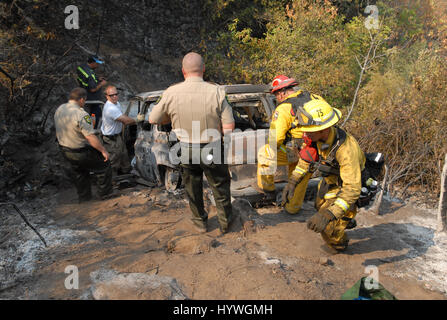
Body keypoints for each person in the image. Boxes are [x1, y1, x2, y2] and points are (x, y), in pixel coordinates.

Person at [149, 52, 235, 234]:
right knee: (220, 185)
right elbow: (229, 125)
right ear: (203, 69)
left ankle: (200, 223)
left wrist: (170, 118)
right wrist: (224, 145)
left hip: (185, 147)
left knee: (192, 186)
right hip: (212, 147)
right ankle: (226, 223)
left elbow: (152, 118)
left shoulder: (171, 92)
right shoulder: (217, 91)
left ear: (183, 71)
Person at [282, 99, 365, 253]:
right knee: (319, 206)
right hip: (329, 182)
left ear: (323, 129)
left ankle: (339, 244)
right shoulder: (316, 138)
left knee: (327, 227)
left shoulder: (346, 150)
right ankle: (343, 220)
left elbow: (352, 189)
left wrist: (329, 215)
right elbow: (305, 161)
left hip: (345, 188)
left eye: (309, 129)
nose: (304, 133)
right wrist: (292, 181)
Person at [256, 75, 327, 214]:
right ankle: (292, 209)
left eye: (276, 94)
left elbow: (275, 138)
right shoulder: (316, 98)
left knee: (264, 153)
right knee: (300, 177)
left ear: (282, 92)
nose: (277, 98)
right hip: (316, 150)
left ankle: (267, 188)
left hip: (294, 150)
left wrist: (273, 148)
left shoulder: (284, 108)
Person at [54, 87, 113, 203]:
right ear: (81, 99)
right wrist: (103, 151)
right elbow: (90, 137)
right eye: (84, 101)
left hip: (65, 150)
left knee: (80, 171)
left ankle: (84, 197)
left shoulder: (60, 109)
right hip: (78, 151)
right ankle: (105, 194)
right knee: (104, 165)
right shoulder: (81, 114)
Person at [101, 85, 136, 176]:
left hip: (117, 137)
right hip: (111, 140)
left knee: (124, 156)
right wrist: (138, 119)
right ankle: (112, 182)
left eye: (116, 94)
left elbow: (123, 117)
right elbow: (126, 121)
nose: (115, 96)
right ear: (107, 96)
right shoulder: (110, 108)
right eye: (111, 95)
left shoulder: (116, 104)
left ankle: (126, 176)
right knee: (113, 161)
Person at [77, 55, 107, 129]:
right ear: (92, 63)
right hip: (91, 98)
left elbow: (87, 80)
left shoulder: (82, 67)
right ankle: (93, 129)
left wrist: (97, 79)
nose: (98, 65)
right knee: (96, 113)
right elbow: (93, 89)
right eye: (97, 63)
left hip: (83, 93)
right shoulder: (90, 75)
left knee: (91, 114)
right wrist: (101, 84)